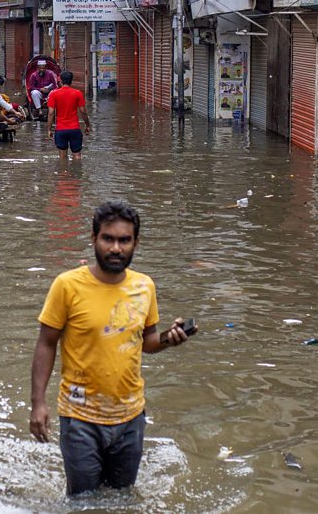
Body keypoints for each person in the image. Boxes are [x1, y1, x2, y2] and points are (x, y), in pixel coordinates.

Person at [30, 201, 195, 496]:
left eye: (124, 240)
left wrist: (171, 338)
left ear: (135, 243)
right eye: (108, 238)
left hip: (131, 416)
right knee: (82, 499)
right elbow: (46, 343)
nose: (116, 248)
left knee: (121, 496)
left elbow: (148, 342)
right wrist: (38, 403)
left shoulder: (145, 287)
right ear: (94, 239)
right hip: (79, 416)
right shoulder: (67, 286)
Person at [47, 70, 91, 161]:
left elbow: (51, 113)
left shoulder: (54, 94)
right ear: (71, 81)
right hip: (75, 129)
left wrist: (49, 129)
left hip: (60, 129)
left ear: (61, 81)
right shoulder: (77, 93)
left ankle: (63, 173)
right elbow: (83, 111)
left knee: (62, 158)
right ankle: (77, 174)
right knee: (77, 156)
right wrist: (87, 125)